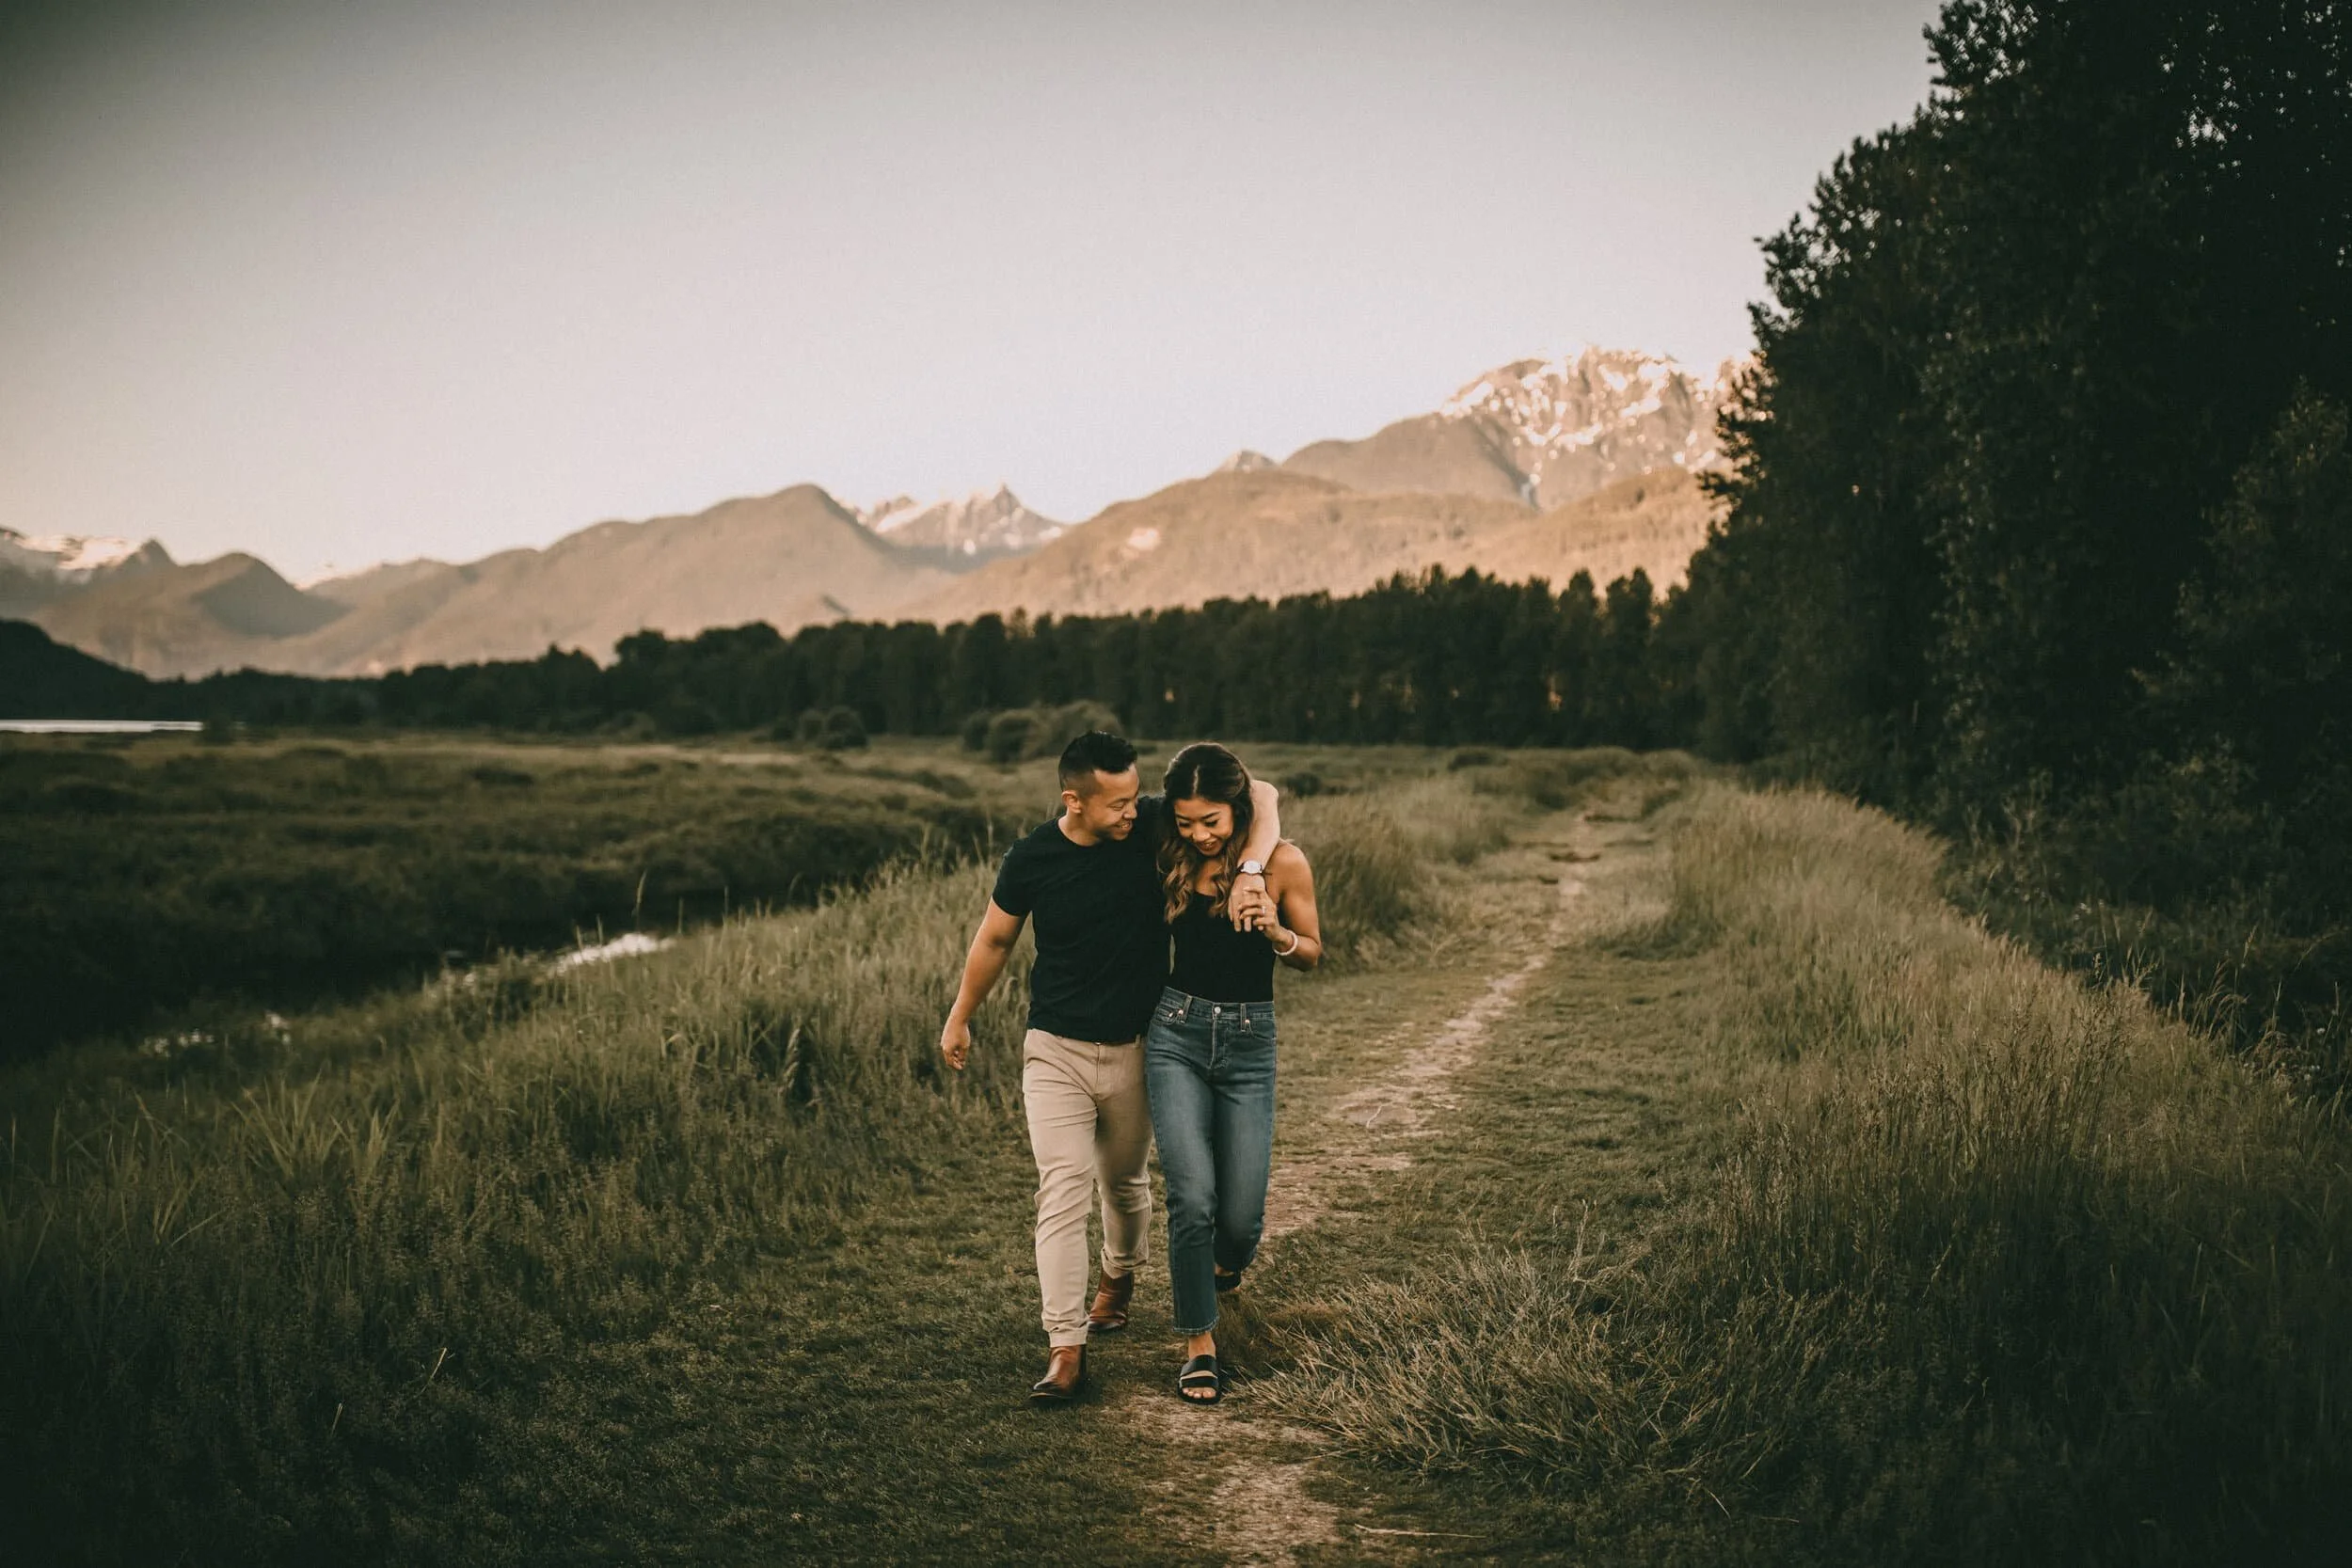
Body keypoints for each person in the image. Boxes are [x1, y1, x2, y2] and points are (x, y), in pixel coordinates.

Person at [939, 730, 1283, 1403]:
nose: (1135, 812)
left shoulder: (1149, 825)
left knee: (1124, 1185)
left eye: (1135, 799)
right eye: (1118, 804)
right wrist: (960, 1013)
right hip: (1054, 1049)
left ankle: (1119, 1273)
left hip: (1137, 1046)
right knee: (1062, 1187)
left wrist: (1250, 870)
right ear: (1075, 800)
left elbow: (1262, 794)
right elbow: (996, 938)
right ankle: (1065, 1347)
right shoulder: (1032, 857)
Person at [1142, 742, 1321, 1404]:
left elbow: (1312, 953)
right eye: (1186, 821)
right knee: (1193, 1196)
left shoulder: (1283, 861)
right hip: (1176, 1035)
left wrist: (1276, 930)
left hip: (1250, 1043)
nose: (1197, 833)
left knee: (1240, 1221)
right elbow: (1263, 790)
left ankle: (1221, 1269)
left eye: (1211, 820)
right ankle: (1199, 1345)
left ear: (1236, 806)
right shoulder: (1171, 852)